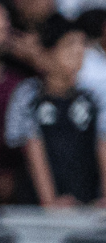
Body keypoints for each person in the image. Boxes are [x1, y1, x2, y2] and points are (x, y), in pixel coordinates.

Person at [7, 18, 106, 206]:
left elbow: (103, 143)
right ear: (48, 53)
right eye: (70, 44)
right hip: (37, 206)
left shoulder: (93, 96)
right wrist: (50, 202)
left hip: (89, 204)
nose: (79, 52)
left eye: (82, 44)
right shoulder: (28, 94)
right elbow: (31, 146)